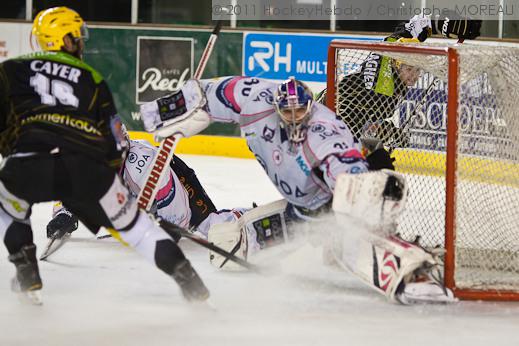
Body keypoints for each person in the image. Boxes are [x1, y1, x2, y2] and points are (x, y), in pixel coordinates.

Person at [140, 76, 455, 304]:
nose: (294, 119)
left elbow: (347, 174)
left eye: (300, 112)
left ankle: (410, 267)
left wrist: (358, 206)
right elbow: (208, 93)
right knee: (229, 244)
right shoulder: (256, 100)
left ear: (310, 108)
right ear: (276, 106)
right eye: (287, 112)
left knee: (347, 235)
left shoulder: (324, 132)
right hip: (297, 211)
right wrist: (167, 111)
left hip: (326, 207)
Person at [0, 7, 208, 304]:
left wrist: (14, 153)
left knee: (8, 208)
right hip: (86, 169)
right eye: (76, 37)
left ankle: (26, 271)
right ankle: (191, 283)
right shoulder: (91, 78)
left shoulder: (10, 70)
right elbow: (114, 144)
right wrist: (108, 191)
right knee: (139, 230)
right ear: (65, 40)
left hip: (26, 163)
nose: (81, 43)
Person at [316, 14, 482, 152]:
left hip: (334, 113)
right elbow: (359, 126)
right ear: (398, 65)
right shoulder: (381, 92)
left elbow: (415, 24)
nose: (414, 76)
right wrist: (390, 134)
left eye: (418, 70)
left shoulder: (392, 51)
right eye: (410, 69)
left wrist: (444, 24)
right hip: (323, 120)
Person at [47, 137, 245, 242]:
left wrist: (168, 229)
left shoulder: (144, 165)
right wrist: (64, 214)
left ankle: (251, 220)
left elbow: (179, 218)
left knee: (213, 228)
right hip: (140, 197)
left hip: (172, 176)